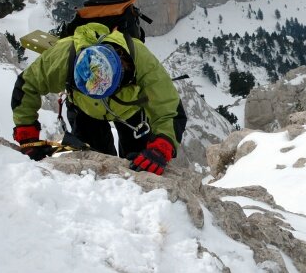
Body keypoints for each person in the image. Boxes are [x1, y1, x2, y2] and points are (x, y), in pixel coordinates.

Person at [12, 21, 186, 175]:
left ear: (121, 74)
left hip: (130, 111)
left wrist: (161, 147)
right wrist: (26, 133)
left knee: (141, 163)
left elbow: (169, 108)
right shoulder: (63, 56)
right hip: (85, 110)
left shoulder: (141, 61)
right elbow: (28, 84)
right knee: (94, 167)